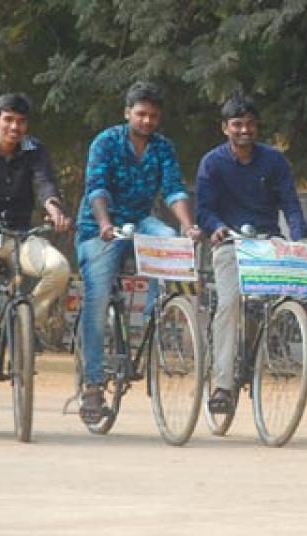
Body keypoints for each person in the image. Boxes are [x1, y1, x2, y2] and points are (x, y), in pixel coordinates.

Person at [74, 81, 201, 424]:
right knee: (97, 299)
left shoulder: (163, 147)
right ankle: (93, 384)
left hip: (141, 222)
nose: (147, 121)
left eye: (153, 116)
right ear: (127, 112)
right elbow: (96, 188)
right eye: (141, 114)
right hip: (99, 227)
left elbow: (174, 190)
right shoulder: (106, 142)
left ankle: (156, 316)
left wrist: (189, 226)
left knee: (171, 240)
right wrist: (104, 224)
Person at [0, 93, 72, 422]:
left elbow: (45, 184)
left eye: (20, 121)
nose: (14, 127)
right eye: (8, 120)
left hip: (21, 236)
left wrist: (53, 208)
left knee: (58, 268)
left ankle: (27, 318)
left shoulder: (36, 151)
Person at [197, 95, 307, 414]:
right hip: (230, 244)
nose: (244, 129)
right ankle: (222, 384)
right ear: (225, 128)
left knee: (284, 300)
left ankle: (265, 349)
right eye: (237, 124)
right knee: (230, 303)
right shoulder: (212, 163)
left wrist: (300, 240)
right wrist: (216, 227)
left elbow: (291, 204)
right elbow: (203, 208)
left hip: (267, 245)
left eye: (249, 124)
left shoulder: (274, 161)